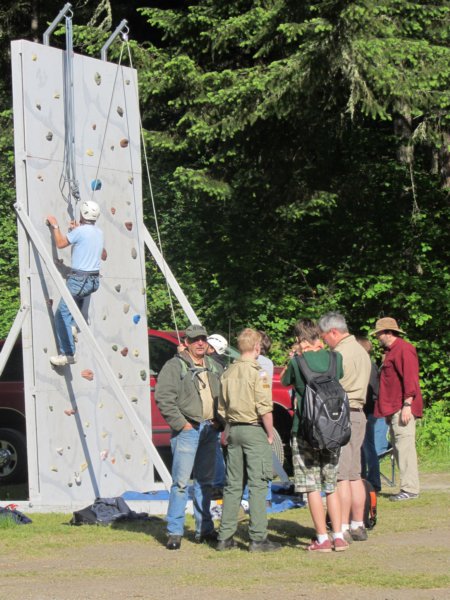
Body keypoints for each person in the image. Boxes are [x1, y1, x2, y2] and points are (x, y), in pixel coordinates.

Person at [281, 319, 348, 552]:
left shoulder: (297, 362)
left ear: (299, 339)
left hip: (305, 429)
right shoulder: (335, 358)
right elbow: (339, 375)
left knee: (312, 486)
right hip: (332, 428)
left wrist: (295, 356)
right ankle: (338, 536)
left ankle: (322, 539)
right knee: (331, 485)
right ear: (319, 336)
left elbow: (284, 381)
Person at [155, 323, 223, 550]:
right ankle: (175, 531)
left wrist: (219, 421)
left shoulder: (214, 366)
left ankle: (205, 529)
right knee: (181, 483)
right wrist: (181, 424)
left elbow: (223, 395)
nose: (200, 343)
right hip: (188, 431)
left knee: (205, 483)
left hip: (210, 430)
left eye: (203, 338)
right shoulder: (174, 366)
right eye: (195, 340)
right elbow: (164, 398)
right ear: (186, 343)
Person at [216, 328, 281, 552]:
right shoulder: (258, 372)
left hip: (233, 429)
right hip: (253, 430)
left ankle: (224, 537)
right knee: (258, 484)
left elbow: (222, 408)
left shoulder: (228, 372)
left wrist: (227, 430)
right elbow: (265, 407)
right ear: (256, 348)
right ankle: (258, 538)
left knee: (233, 485)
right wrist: (270, 433)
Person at [318, 312, 371, 543]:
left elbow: (331, 385)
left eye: (324, 337)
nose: (325, 341)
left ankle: (344, 526)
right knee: (355, 474)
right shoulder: (361, 350)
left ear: (333, 332)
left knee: (341, 476)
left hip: (343, 414)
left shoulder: (339, 353)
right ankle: (359, 524)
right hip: (359, 412)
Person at [46, 201, 105, 367]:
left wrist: (55, 226)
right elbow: (98, 250)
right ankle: (72, 326)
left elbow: (60, 243)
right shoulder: (99, 232)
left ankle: (68, 354)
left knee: (61, 314)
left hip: (80, 280)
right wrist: (76, 232)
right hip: (93, 281)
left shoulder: (80, 232)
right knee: (77, 300)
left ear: (82, 214)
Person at [371, 317, 423, 501]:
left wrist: (407, 404)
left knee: (404, 446)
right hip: (394, 408)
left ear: (388, 333)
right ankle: (408, 487)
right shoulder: (391, 351)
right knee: (400, 447)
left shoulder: (404, 349)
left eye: (378, 333)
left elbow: (411, 379)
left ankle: (410, 489)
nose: (377, 337)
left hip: (403, 407)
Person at [356, 337, 386, 493]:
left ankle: (374, 482)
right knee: (361, 446)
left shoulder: (369, 366)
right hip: (366, 410)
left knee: (368, 446)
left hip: (369, 411)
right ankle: (362, 478)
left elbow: (373, 391)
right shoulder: (366, 365)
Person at [206, 333, 229, 495]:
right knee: (214, 449)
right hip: (217, 412)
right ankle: (217, 482)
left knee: (213, 449)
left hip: (213, 413)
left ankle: (218, 483)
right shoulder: (220, 364)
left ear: (212, 348)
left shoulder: (212, 365)